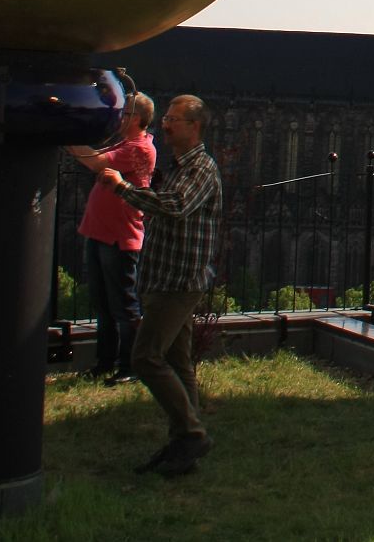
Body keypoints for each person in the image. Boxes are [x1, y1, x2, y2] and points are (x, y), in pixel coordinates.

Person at [100, 94, 223, 479]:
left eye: (172, 119)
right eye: (165, 117)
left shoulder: (201, 168)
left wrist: (122, 188)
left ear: (194, 126)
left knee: (145, 357)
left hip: (179, 282)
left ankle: (191, 433)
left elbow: (175, 204)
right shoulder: (182, 165)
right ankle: (184, 445)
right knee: (178, 361)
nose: (165, 124)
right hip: (169, 277)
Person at [65, 86, 156, 384]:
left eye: (124, 111)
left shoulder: (139, 148)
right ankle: (105, 363)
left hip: (119, 236)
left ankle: (130, 367)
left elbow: (95, 162)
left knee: (123, 306)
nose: (118, 116)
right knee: (103, 305)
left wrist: (64, 132)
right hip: (99, 231)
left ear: (137, 118)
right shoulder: (124, 143)